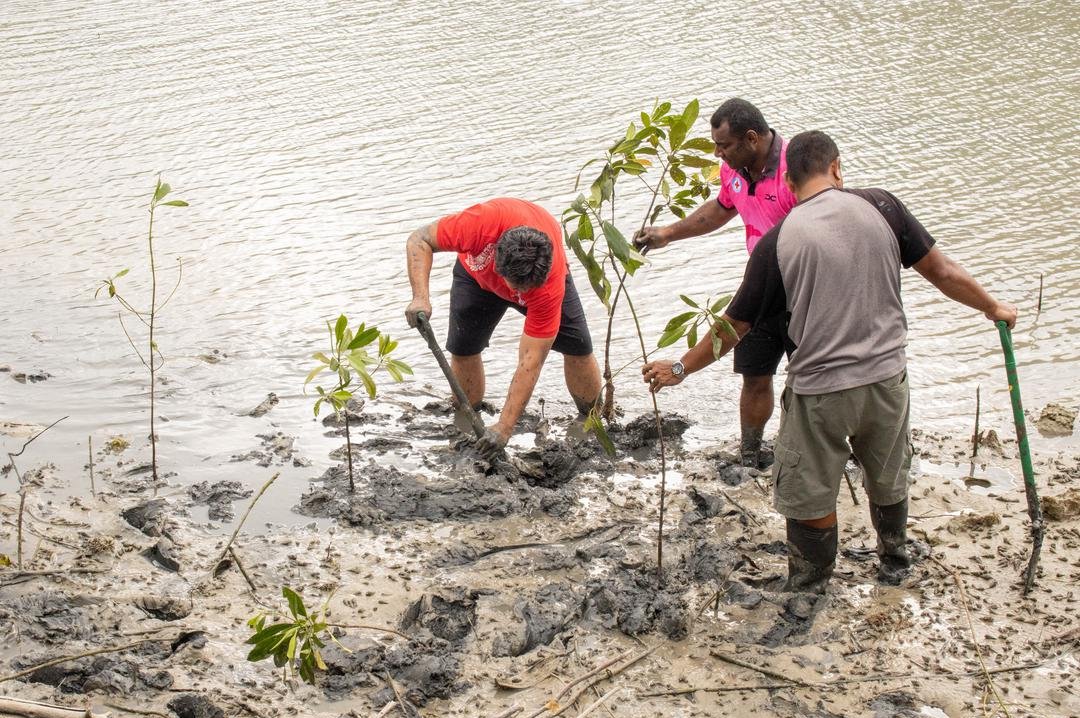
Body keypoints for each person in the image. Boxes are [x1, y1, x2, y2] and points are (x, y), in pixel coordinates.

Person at [642, 130, 1017, 592]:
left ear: (790, 184)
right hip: (887, 379)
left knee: (809, 490)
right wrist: (992, 307)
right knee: (887, 473)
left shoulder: (777, 241)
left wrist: (681, 368)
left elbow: (733, 325)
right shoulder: (884, 207)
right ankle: (895, 561)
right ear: (837, 168)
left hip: (820, 390)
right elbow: (942, 271)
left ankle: (810, 584)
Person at [635, 98, 798, 469]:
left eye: (723, 146)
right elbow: (723, 208)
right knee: (755, 375)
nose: (716, 153)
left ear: (752, 139)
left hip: (803, 289)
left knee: (812, 378)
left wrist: (679, 368)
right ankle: (750, 454)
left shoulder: (795, 169)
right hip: (760, 282)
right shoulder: (734, 170)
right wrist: (668, 233)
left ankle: (822, 451)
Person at [405, 197, 602, 459]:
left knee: (578, 347)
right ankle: (467, 417)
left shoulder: (548, 283)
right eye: (515, 286)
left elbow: (530, 360)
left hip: (541, 289)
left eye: (523, 289)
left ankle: (593, 422)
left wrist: (504, 427)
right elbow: (419, 239)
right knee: (463, 348)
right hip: (477, 278)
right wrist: (420, 296)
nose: (515, 294)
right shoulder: (477, 225)